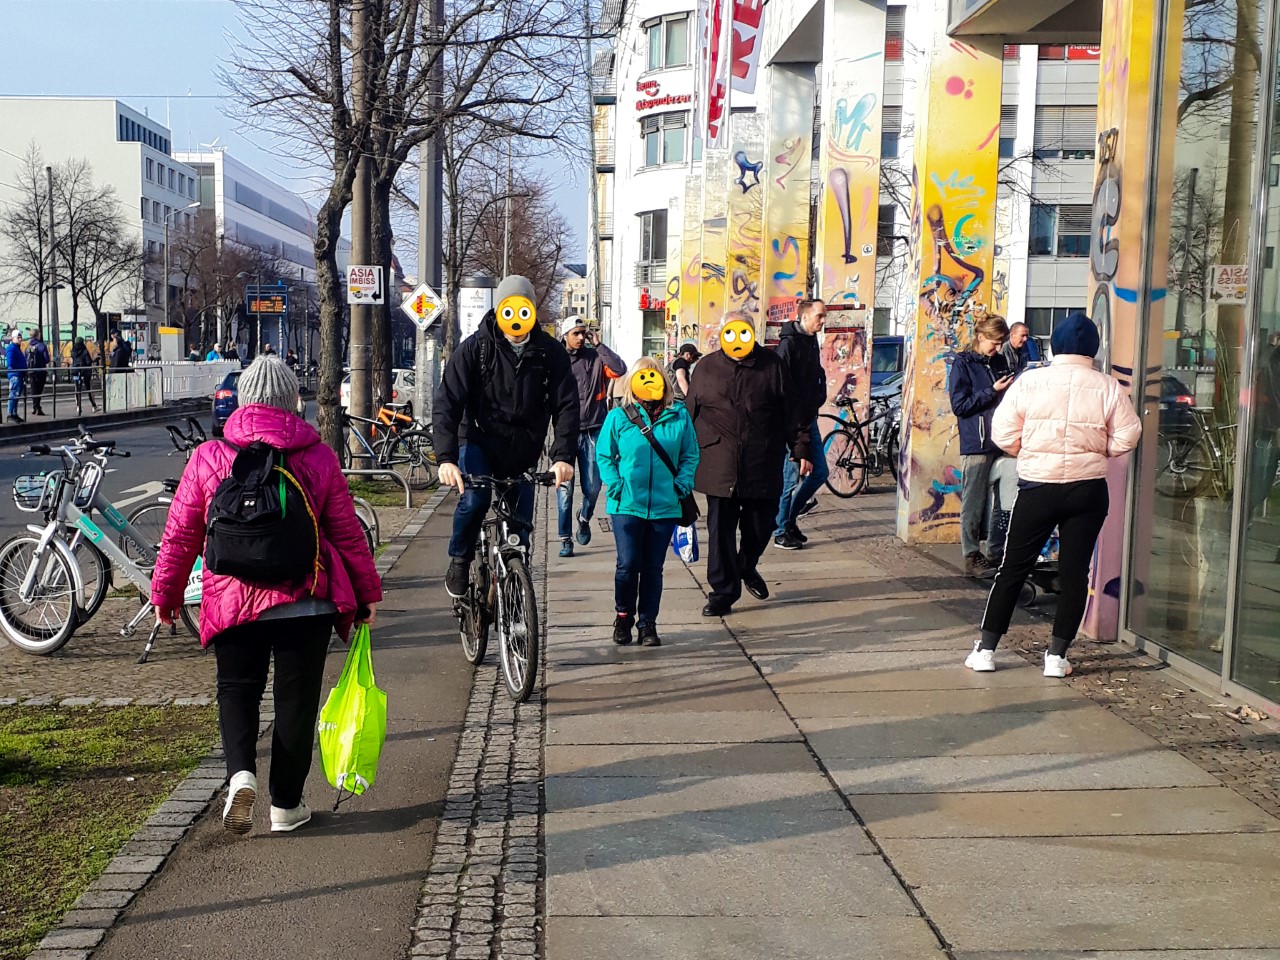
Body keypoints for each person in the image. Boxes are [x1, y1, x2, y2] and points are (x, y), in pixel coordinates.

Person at [151, 356, 382, 834]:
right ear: (293, 402)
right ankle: (285, 806)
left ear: (243, 401)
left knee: (237, 689)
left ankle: (240, 776)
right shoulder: (318, 457)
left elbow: (180, 535)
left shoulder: (210, 456)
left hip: (232, 598)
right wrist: (366, 593)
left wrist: (166, 595)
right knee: (296, 701)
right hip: (306, 597)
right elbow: (346, 533)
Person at [967, 312, 1141, 678]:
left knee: (1013, 569)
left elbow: (1002, 431)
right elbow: (1129, 434)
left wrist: (1025, 451)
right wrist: (1101, 451)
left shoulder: (1031, 382)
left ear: (1054, 346)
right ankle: (1057, 657)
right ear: (1094, 348)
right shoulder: (1108, 386)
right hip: (1087, 489)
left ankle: (986, 650)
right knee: (1075, 574)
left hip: (1037, 487)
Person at [433, 274, 579, 598]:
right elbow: (447, 403)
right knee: (475, 499)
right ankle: (460, 559)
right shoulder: (476, 348)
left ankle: (514, 600)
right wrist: (446, 459)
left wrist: (562, 457)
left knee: (520, 530)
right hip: (478, 442)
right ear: (499, 310)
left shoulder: (549, 353)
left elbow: (567, 406)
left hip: (523, 450)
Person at [687, 311, 810, 617]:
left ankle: (745, 565)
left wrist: (802, 448)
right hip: (718, 463)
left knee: (762, 524)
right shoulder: (706, 367)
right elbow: (688, 414)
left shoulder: (772, 366)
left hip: (761, 461)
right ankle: (723, 593)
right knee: (720, 531)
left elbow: (792, 412)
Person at [597, 358, 699, 646]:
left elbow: (690, 454)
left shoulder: (679, 415)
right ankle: (623, 616)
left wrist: (682, 483)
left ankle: (648, 625)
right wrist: (616, 483)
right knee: (628, 564)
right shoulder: (618, 417)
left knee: (653, 567)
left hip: (666, 504)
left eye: (654, 375)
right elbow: (604, 455)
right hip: (627, 504)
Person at [948, 314, 1012, 579]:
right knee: (974, 500)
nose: (997, 348)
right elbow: (959, 405)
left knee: (1003, 498)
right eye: (994, 342)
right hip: (977, 441)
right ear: (981, 336)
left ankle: (996, 551)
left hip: (1002, 438)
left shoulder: (999, 361)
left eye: (1001, 343)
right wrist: (992, 391)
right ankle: (971, 554)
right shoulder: (963, 364)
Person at [557, 316, 626, 558]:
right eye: (575, 333)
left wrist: (598, 344)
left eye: (582, 333)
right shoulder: (558, 359)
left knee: (594, 486)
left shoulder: (596, 357)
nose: (580, 338)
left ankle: (584, 518)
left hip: (594, 429)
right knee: (564, 490)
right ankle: (565, 539)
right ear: (565, 335)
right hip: (566, 432)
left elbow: (619, 369)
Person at [773, 299, 831, 550]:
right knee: (789, 479)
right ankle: (780, 531)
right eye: (820, 316)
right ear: (805, 317)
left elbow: (815, 376)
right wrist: (790, 422)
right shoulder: (788, 345)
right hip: (791, 423)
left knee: (820, 473)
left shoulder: (811, 340)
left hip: (809, 418)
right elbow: (780, 386)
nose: (823, 321)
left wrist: (819, 396)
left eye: (824, 316)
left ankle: (789, 520)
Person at [26, 329, 50, 417]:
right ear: (37, 335)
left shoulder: (28, 347)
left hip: (31, 371)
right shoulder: (42, 346)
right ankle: (37, 408)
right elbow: (46, 360)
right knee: (39, 391)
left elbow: (26, 359)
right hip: (40, 371)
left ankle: (35, 407)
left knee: (33, 390)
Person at [5, 329, 27, 423]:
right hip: (15, 374)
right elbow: (11, 363)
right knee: (13, 394)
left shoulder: (17, 348)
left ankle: (14, 413)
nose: (20, 339)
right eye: (18, 338)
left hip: (19, 374)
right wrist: (21, 367)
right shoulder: (11, 348)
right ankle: (10, 414)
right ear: (13, 338)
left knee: (16, 395)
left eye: (20, 337)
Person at [71, 337, 97, 414]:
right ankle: (94, 406)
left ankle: (78, 407)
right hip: (85, 372)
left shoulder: (73, 352)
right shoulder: (85, 351)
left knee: (77, 389)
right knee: (89, 389)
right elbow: (88, 362)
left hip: (76, 372)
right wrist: (94, 359)